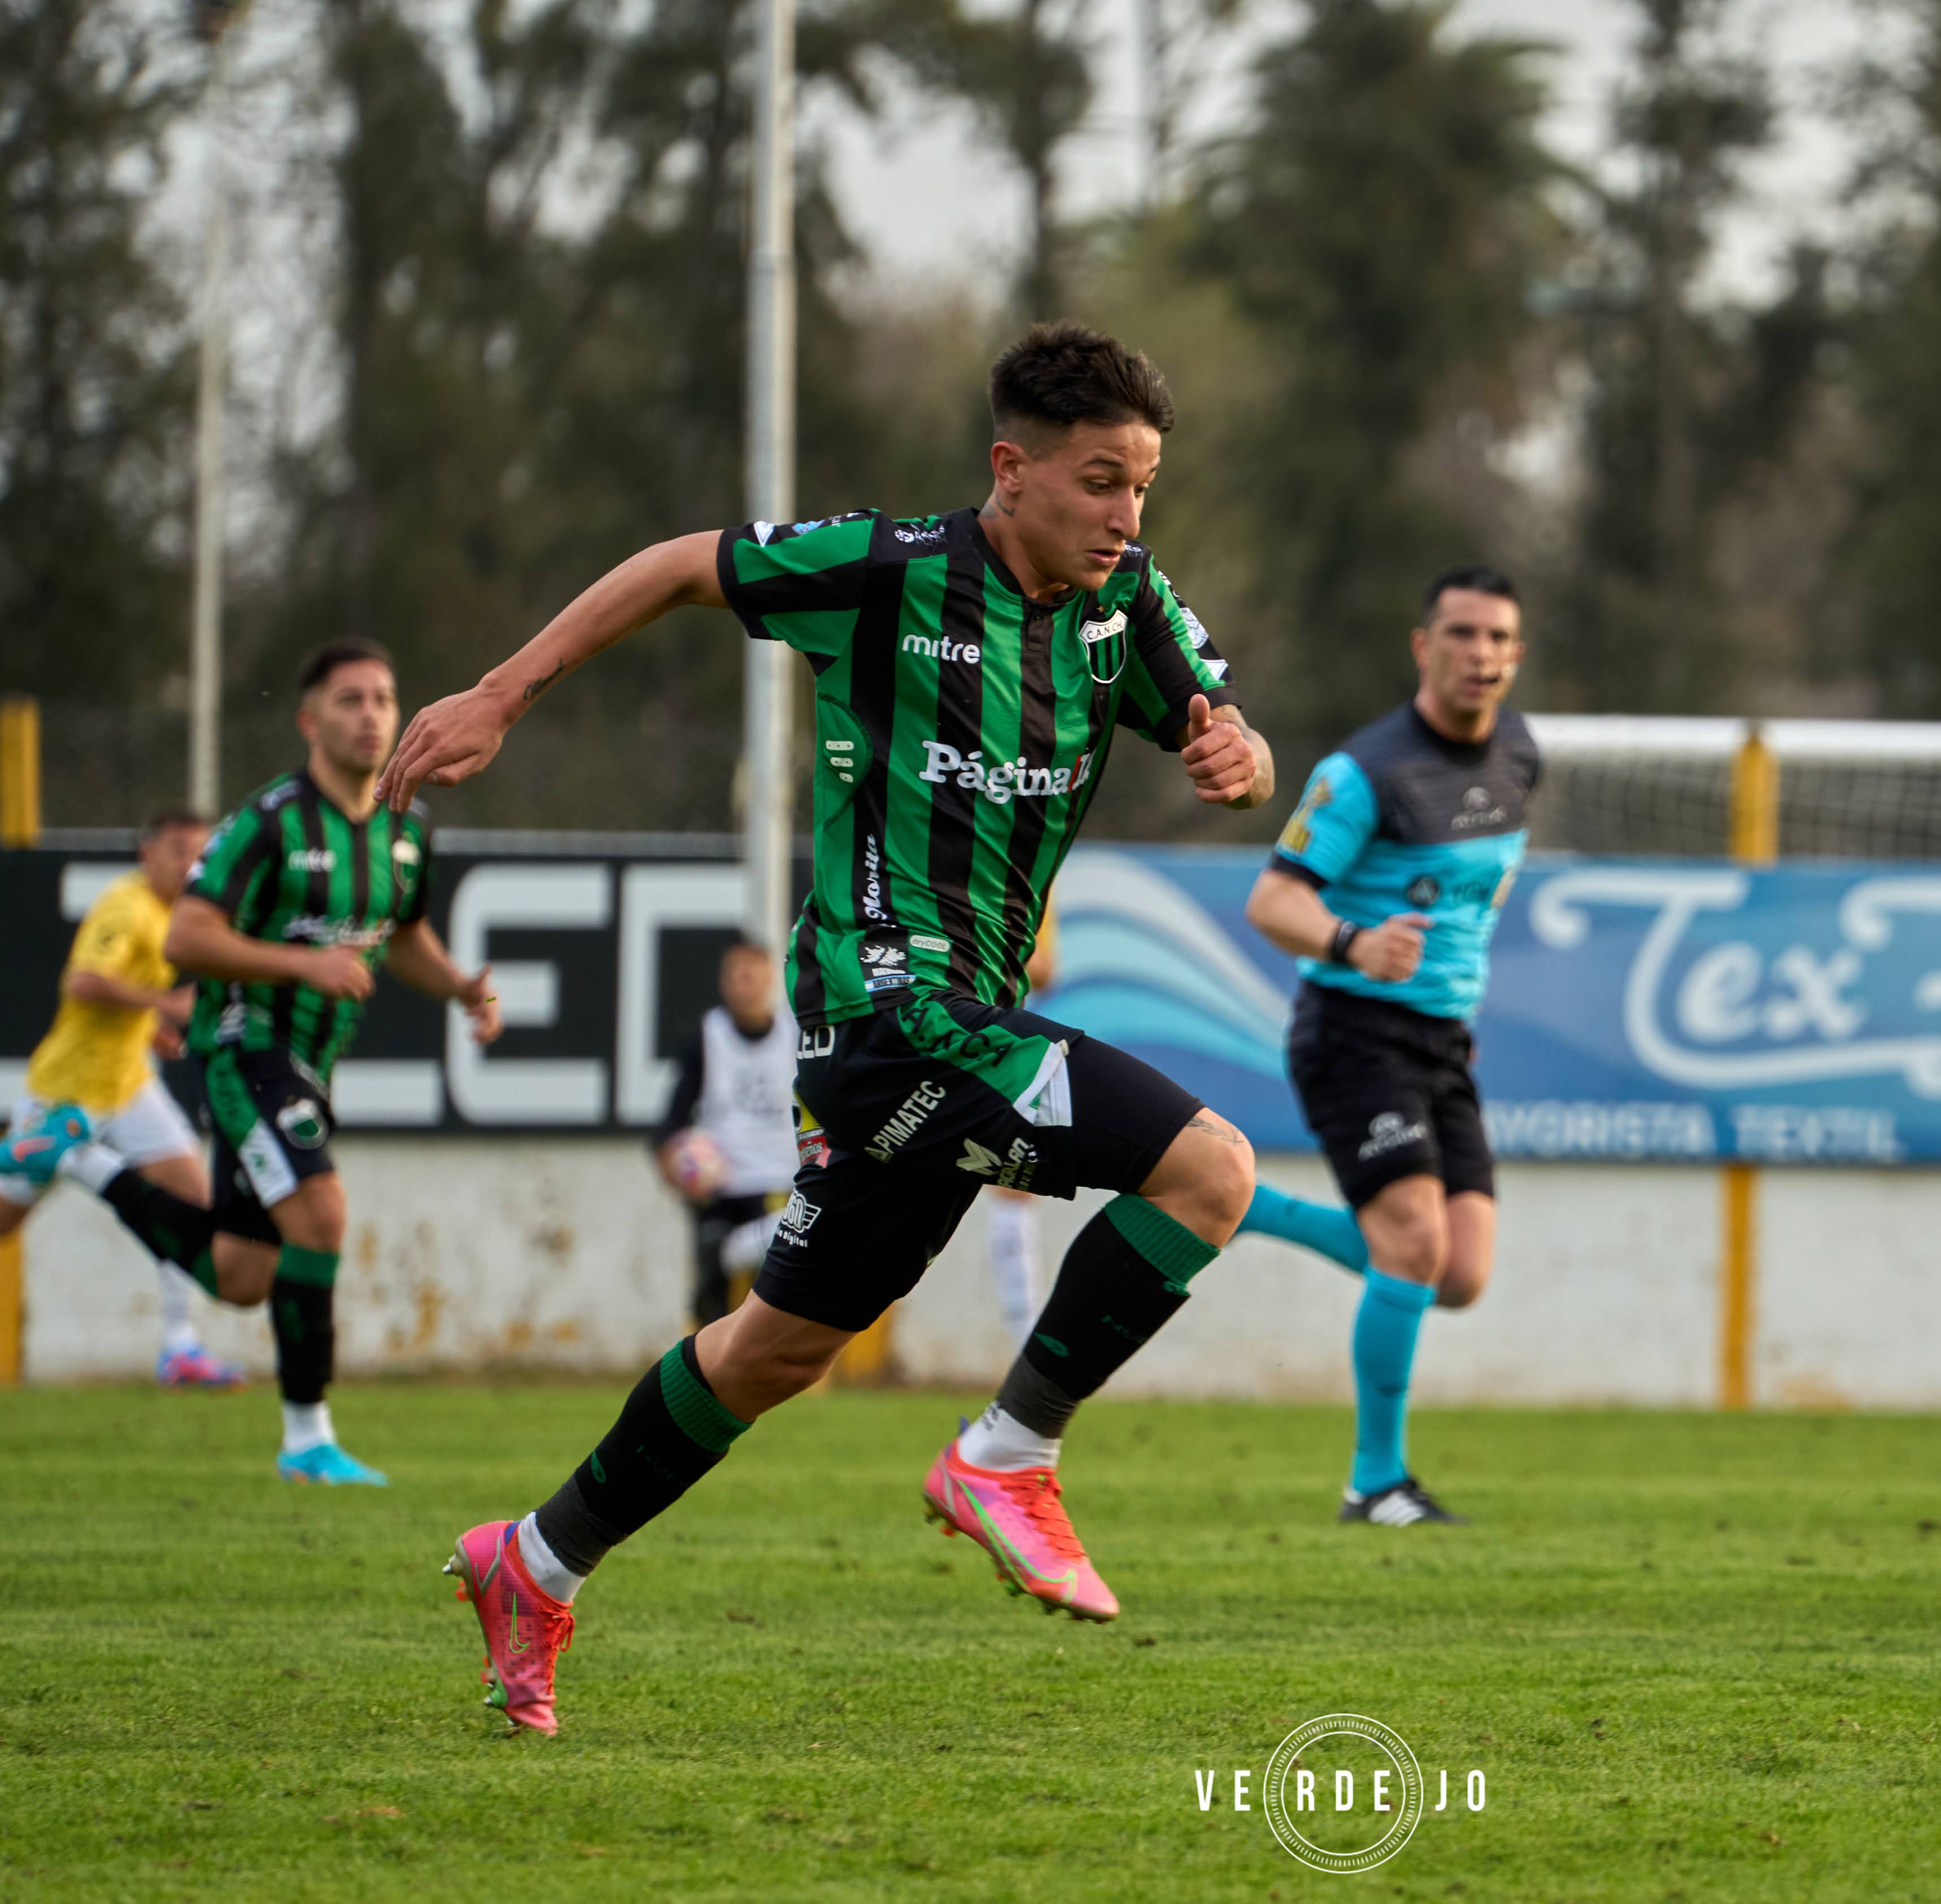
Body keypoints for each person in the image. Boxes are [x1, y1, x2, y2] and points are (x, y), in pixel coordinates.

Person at [380, 322, 1272, 1733]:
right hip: (883, 1007)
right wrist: (501, 692)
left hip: (955, 1017)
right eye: (1101, 480)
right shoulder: (891, 568)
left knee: (772, 1350)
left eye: (1144, 485)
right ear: (1011, 466)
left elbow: (1228, 726)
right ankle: (1006, 1452)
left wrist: (1235, 749)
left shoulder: (1128, 607)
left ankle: (533, 1560)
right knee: (1209, 1168)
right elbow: (684, 564)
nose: (1125, 515)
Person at [10, 640, 506, 1483]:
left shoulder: (405, 829)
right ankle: (307, 1439)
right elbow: (187, 935)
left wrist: (459, 986)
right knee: (322, 1215)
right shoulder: (268, 820)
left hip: (315, 1059)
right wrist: (300, 963)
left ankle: (81, 1157)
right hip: (247, 1048)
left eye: (383, 698)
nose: (371, 714)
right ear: (311, 720)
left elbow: (402, 933)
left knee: (242, 1274)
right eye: (349, 700)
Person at [1238, 566, 1537, 1527]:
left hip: (1445, 1041)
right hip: (1353, 1030)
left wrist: (1461, 1015)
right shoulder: (1364, 772)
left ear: (1515, 655)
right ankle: (1375, 1482)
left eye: (1497, 639)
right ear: (1424, 646)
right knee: (1410, 1243)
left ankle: (1243, 1205)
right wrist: (1353, 941)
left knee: (1459, 1274)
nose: (1480, 654)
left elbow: (1466, 912)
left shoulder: (1522, 756)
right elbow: (1272, 899)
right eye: (1461, 634)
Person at [0, 808, 242, 1386]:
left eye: (199, 854)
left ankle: (181, 1349)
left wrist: (149, 1030)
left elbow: (121, 995)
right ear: (147, 854)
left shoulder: (174, 913)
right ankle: (48, 1146)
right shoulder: (127, 905)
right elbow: (83, 981)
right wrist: (166, 1007)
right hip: (69, 1093)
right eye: (178, 851)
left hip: (129, 1086)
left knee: (194, 1203)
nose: (191, 865)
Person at [654, 940, 800, 1332]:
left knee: (775, 1295)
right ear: (723, 982)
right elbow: (672, 1118)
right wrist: (672, 1162)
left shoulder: (797, 1036)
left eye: (752, 974)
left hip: (778, 1185)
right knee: (712, 1290)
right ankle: (703, 1373)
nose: (744, 984)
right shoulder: (707, 1037)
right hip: (721, 1187)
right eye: (736, 975)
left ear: (770, 978)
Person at [982, 902, 1060, 1342]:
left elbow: (1046, 967)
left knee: (1014, 1186)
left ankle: (1023, 1352)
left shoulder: (1029, 882)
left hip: (1001, 1045)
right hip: (929, 1040)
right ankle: (743, 1245)